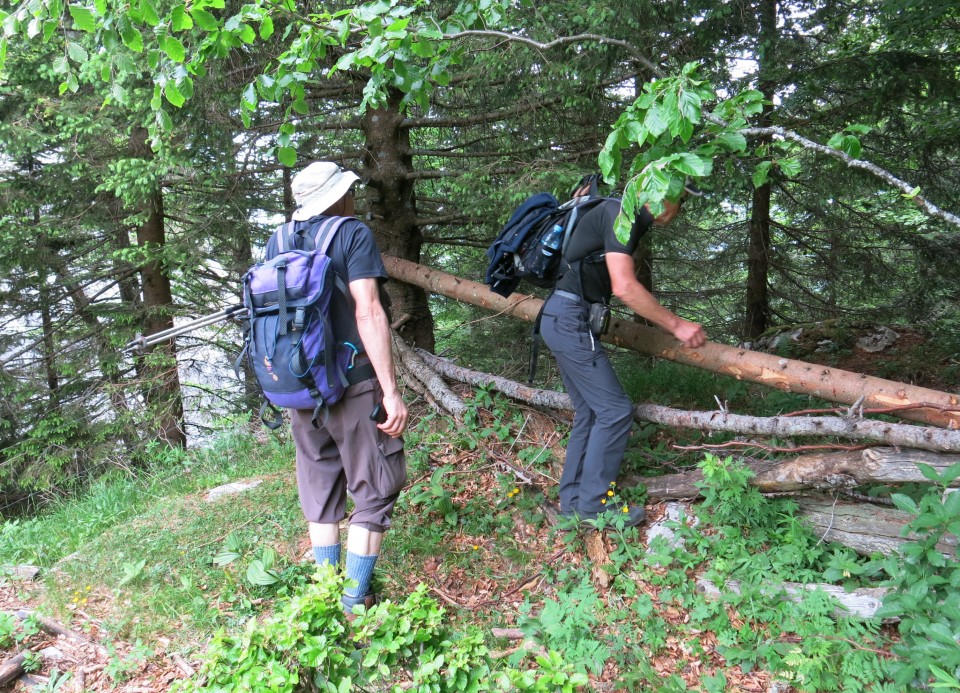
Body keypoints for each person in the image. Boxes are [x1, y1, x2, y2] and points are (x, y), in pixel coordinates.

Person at [265, 161, 409, 613]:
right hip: (352, 382)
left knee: (319, 486)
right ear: (337, 197)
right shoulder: (352, 233)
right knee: (376, 488)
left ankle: (324, 596)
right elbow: (368, 310)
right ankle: (352, 599)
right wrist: (390, 389)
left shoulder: (277, 240)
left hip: (298, 385)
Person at [540, 182, 707, 526]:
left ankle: (572, 503)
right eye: (681, 200)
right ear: (662, 197)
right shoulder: (621, 215)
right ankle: (594, 506)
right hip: (569, 319)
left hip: (562, 317)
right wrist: (676, 325)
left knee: (589, 411)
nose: (680, 209)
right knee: (615, 411)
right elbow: (625, 286)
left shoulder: (617, 213)